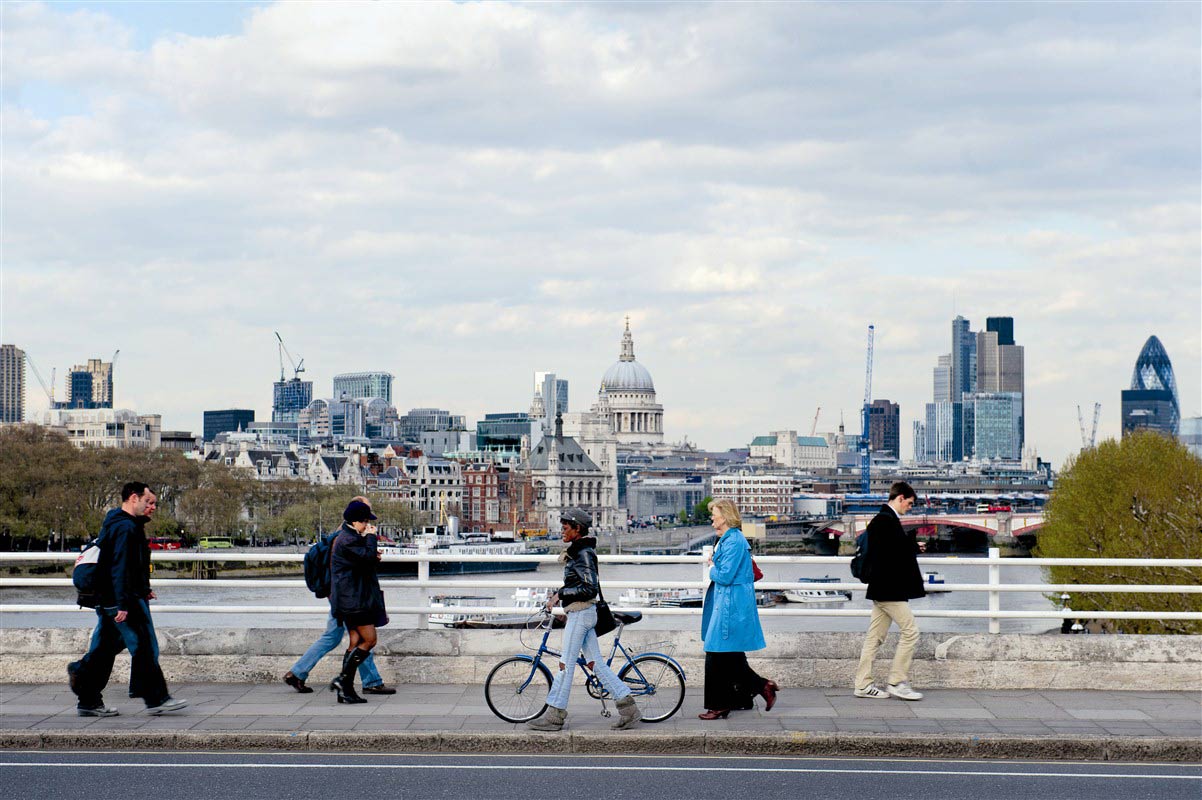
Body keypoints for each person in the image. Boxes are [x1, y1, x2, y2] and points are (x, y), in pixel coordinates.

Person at [67, 482, 187, 716]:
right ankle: (156, 697)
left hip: (113, 597)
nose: (153, 507)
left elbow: (130, 565)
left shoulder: (119, 523)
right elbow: (119, 567)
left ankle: (87, 694)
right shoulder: (125, 527)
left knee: (103, 650)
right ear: (134, 498)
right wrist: (122, 604)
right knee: (144, 645)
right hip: (121, 600)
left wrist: (144, 588)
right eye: (149, 502)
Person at [527, 508, 642, 731]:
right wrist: (559, 594)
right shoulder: (580, 550)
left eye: (566, 527)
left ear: (577, 529)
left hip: (581, 614)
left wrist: (562, 594)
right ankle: (629, 709)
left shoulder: (583, 553)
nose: (562, 530)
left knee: (565, 665)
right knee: (595, 664)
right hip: (582, 613)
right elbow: (577, 583)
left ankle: (554, 716)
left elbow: (588, 588)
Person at [284, 496, 394, 696]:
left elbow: (358, 563)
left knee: (338, 638)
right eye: (366, 516)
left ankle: (302, 673)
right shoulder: (344, 537)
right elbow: (351, 564)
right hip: (345, 597)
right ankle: (367, 682)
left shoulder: (344, 534)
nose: (368, 522)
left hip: (342, 595)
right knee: (361, 639)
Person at [698, 498, 778, 719]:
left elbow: (724, 575)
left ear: (724, 516)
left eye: (714, 513)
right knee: (730, 656)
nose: (712, 517)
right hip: (728, 605)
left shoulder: (733, 541)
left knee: (716, 655)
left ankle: (719, 705)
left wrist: (711, 567)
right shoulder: (727, 539)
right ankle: (754, 691)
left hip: (730, 608)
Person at [854, 480, 926, 701]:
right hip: (889, 589)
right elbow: (890, 555)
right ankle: (897, 681)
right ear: (900, 498)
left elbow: (890, 551)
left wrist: (911, 547)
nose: (910, 508)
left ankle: (863, 684)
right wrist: (913, 547)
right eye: (910, 503)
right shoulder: (885, 521)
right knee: (911, 631)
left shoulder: (884, 520)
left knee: (874, 638)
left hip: (882, 588)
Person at [327, 499, 388, 704]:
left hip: (349, 598)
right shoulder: (348, 539)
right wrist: (372, 538)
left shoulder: (348, 537)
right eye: (365, 522)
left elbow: (362, 561)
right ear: (356, 522)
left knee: (354, 642)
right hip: (353, 600)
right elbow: (367, 557)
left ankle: (345, 689)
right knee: (369, 640)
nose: (367, 526)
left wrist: (371, 552)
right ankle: (343, 681)